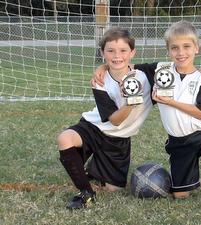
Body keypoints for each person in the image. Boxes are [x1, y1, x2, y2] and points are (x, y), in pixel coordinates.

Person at [92, 21, 201, 210]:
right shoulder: (161, 70)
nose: (181, 53)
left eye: (187, 47)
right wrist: (103, 68)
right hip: (179, 143)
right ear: (168, 51)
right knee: (180, 195)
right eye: (175, 48)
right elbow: (124, 65)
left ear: (196, 48)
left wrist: (171, 102)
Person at [57, 27, 153, 210]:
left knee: (113, 189)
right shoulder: (100, 82)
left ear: (132, 52)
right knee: (65, 138)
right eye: (110, 51)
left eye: (123, 50)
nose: (117, 56)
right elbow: (115, 120)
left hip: (118, 139)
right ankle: (86, 192)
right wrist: (131, 104)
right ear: (102, 53)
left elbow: (176, 67)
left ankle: (95, 167)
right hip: (94, 127)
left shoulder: (146, 74)